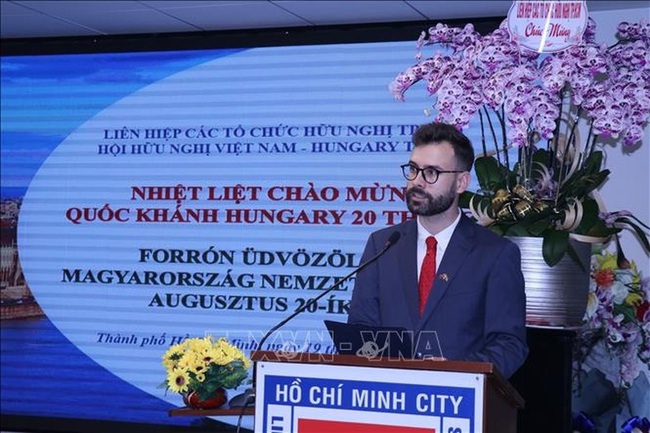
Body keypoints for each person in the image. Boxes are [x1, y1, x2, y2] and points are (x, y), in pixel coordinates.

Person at [347, 121, 528, 379]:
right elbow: (360, 328)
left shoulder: (495, 254)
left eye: (431, 172)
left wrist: (456, 372)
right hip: (385, 398)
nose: (417, 182)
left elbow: (509, 344)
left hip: (458, 403)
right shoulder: (383, 244)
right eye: (413, 169)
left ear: (461, 182)